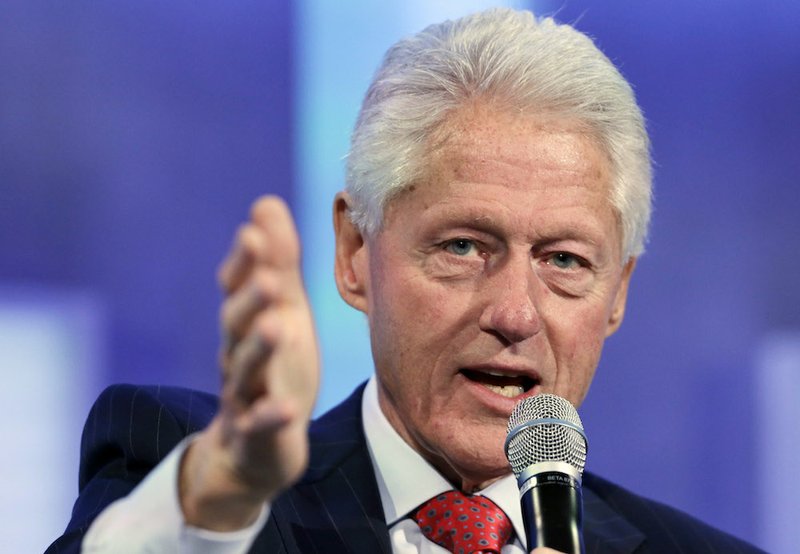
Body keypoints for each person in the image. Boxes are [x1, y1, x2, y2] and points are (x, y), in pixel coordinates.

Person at [48, 8, 762, 554]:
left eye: (565, 261)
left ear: (619, 293)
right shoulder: (202, 480)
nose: (516, 313)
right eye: (463, 246)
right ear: (356, 251)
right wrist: (220, 497)